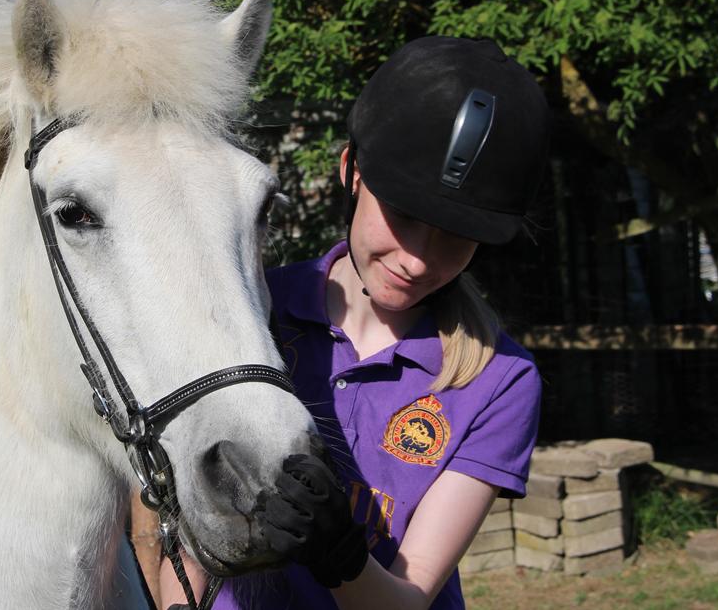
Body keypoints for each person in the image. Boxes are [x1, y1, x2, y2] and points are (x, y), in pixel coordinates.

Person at [157, 35, 552, 609]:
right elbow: (192, 547)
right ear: (352, 171)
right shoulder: (251, 309)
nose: (417, 259)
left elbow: (411, 599)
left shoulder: (499, 381)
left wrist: (340, 555)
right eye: (407, 216)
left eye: (459, 238)